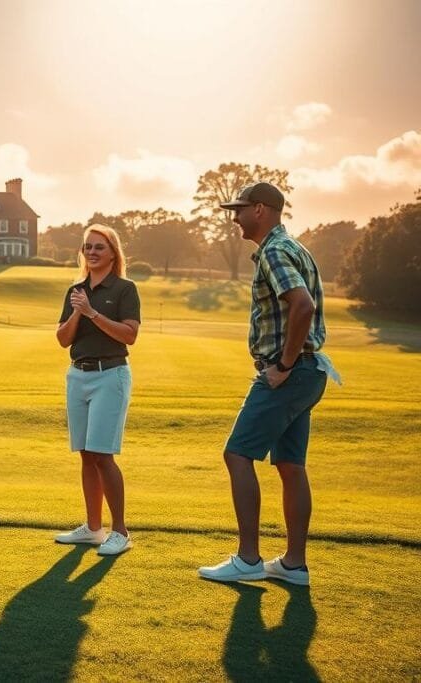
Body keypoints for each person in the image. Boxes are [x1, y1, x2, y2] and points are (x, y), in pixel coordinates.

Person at [198, 182, 337, 586]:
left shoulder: (275, 252)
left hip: (290, 373)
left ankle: (248, 559)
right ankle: (294, 565)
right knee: (290, 465)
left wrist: (282, 364)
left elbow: (303, 305)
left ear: (260, 209)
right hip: (310, 373)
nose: (234, 216)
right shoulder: (294, 247)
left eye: (239, 209)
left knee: (237, 455)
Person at [53, 224, 140, 556]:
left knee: (103, 454)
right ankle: (93, 528)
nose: (91, 252)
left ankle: (120, 531)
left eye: (99, 247)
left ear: (113, 253)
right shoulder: (75, 290)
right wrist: (78, 311)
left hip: (111, 375)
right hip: (78, 375)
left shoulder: (124, 289)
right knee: (87, 455)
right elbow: (63, 339)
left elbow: (129, 335)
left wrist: (92, 312)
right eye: (87, 247)